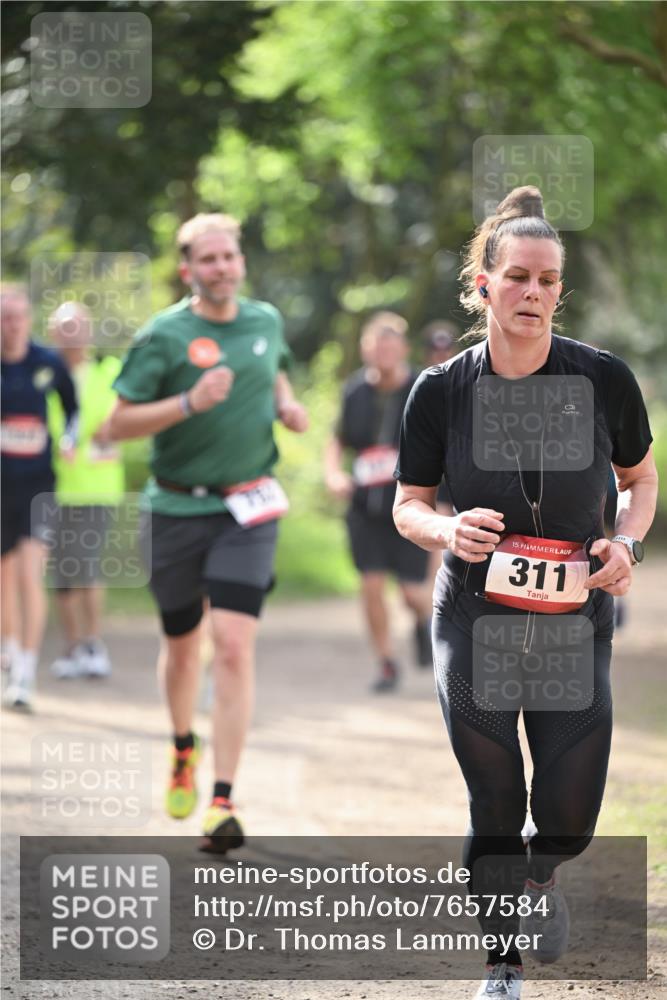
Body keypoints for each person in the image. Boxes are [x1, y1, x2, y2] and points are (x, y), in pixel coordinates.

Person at [393, 187, 657, 998]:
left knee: (569, 820)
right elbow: (407, 504)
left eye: (546, 280)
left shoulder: (602, 378)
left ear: (558, 291)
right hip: (474, 618)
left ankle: (542, 876)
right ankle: (500, 964)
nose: (532, 292)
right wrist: (446, 530)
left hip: (573, 622)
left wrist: (625, 543)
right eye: (516, 277)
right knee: (495, 799)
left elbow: (640, 481)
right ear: (483, 285)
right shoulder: (441, 390)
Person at [110, 212, 308, 851]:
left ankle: (222, 800)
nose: (222, 267)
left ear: (241, 262)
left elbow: (275, 370)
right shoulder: (163, 335)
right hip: (173, 509)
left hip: (245, 509)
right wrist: (188, 403)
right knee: (182, 644)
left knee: (231, 645)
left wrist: (285, 403)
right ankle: (181, 747)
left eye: (229, 256)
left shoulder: (265, 320)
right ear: (188, 269)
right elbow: (117, 423)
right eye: (208, 259)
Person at [325, 311, 432, 693]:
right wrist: (333, 474)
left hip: (411, 506)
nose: (383, 353)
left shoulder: (423, 387)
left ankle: (424, 621)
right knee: (371, 585)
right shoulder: (354, 390)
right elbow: (337, 439)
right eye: (376, 346)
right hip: (365, 508)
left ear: (403, 349)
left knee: (412, 592)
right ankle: (386, 662)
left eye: (390, 346)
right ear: (365, 349)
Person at [1, 283, 78, 710]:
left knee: (31, 575)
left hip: (37, 485)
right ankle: (9, 652)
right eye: (4, 318)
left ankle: (27, 671)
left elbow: (72, 409)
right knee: (4, 580)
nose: (11, 326)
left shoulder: (47, 362)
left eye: (17, 317)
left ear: (28, 319)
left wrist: (69, 438)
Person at [46, 302, 124, 679]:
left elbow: (119, 420)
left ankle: (93, 643)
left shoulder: (110, 372)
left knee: (85, 563)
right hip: (51, 485)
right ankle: (72, 645)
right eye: (64, 327)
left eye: (77, 326)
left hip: (96, 487)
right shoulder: (43, 373)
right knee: (61, 570)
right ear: (52, 333)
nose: (71, 334)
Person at [422, 321, 458, 588]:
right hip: (430, 475)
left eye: (446, 350)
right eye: (436, 351)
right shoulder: (420, 386)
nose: (441, 356)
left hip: (458, 474)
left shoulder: (467, 380)